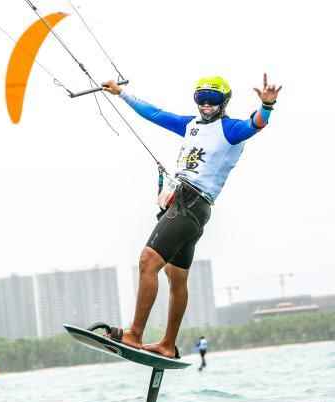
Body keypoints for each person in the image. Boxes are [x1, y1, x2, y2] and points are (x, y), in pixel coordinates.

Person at [101, 74, 282, 358]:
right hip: (187, 206)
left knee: (148, 261)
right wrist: (121, 94)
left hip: (191, 204)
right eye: (202, 100)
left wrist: (268, 106)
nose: (207, 105)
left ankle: (134, 334)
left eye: (213, 101)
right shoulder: (191, 126)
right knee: (176, 276)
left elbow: (255, 124)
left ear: (224, 103)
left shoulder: (230, 129)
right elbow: (156, 114)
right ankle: (167, 345)